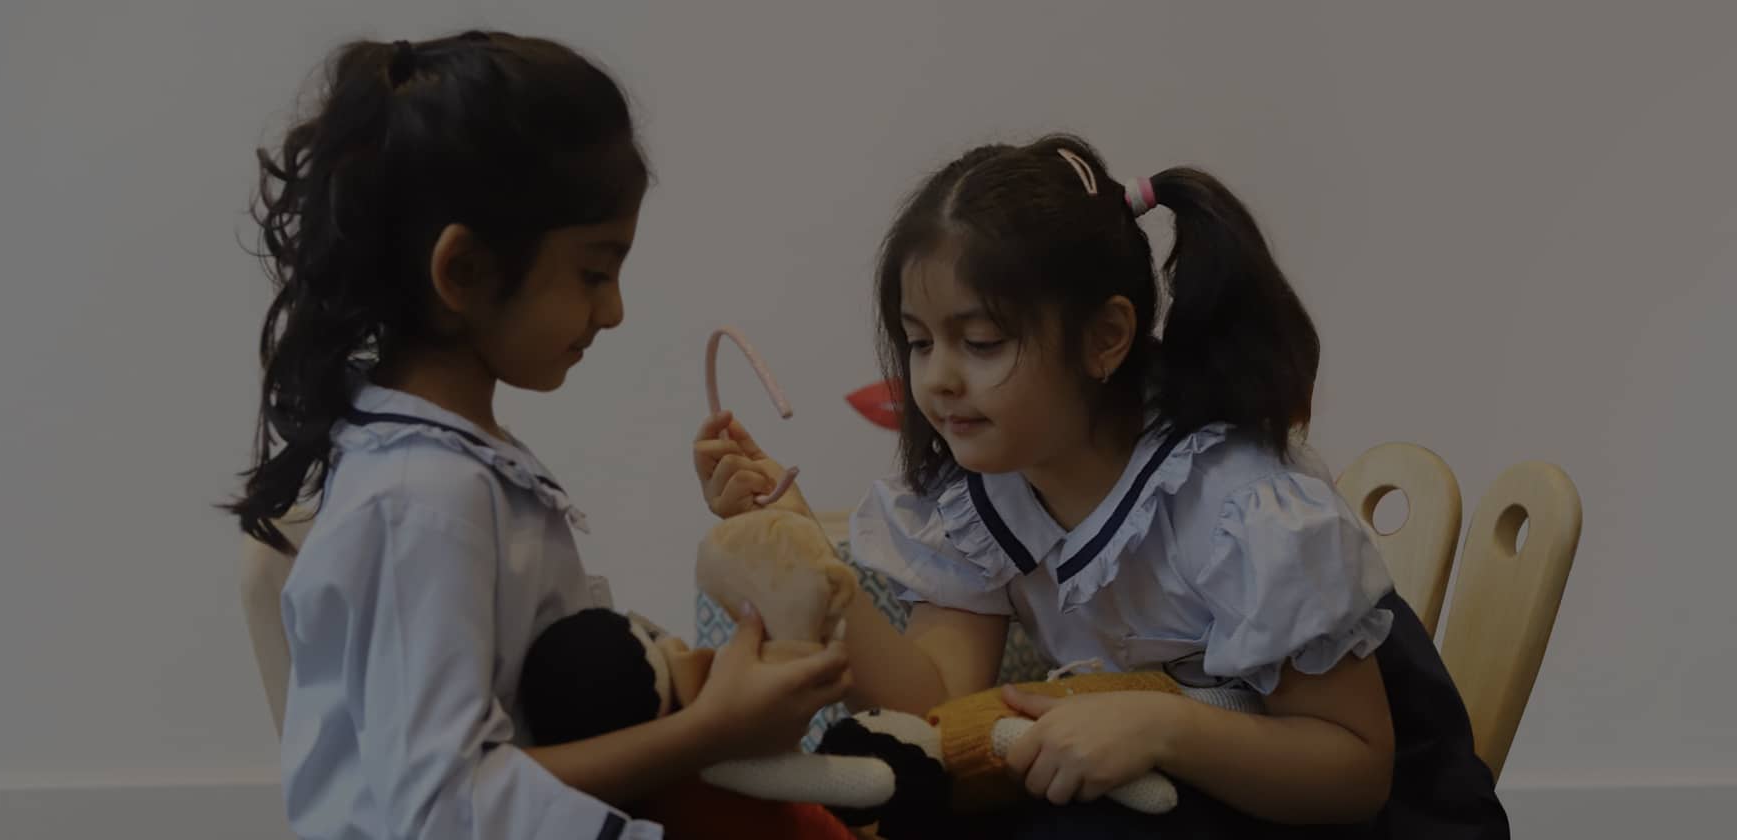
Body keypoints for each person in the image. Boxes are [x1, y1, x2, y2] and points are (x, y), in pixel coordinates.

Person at [695, 135, 1507, 837]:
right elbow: (938, 698)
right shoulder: (986, 494)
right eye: (918, 343)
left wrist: (1163, 727)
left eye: (979, 342)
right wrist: (808, 559)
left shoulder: (1236, 506)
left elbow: (1354, 770)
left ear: (1107, 337)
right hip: (1182, 787)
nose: (937, 380)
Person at [229, 31, 851, 840]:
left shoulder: (459, 470)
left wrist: (704, 692)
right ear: (465, 272)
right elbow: (443, 809)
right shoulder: (424, 500)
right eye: (594, 272)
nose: (615, 310)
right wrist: (706, 733)